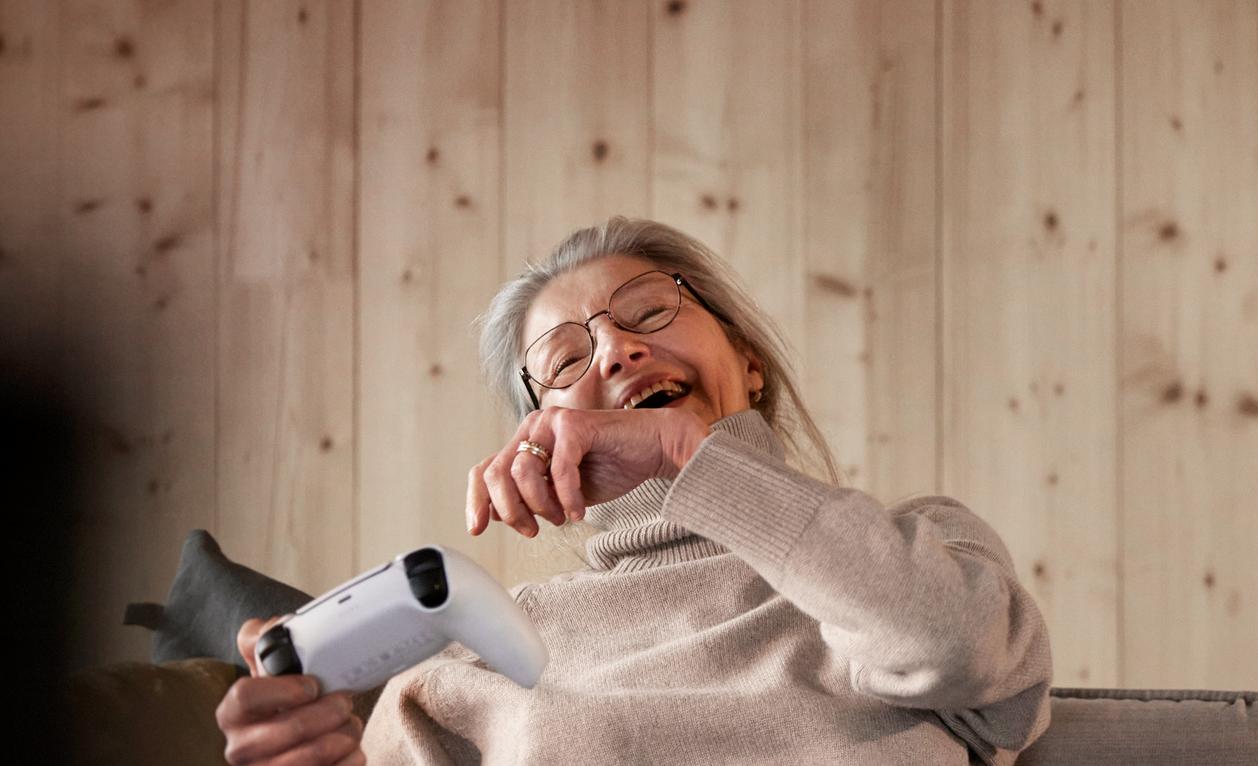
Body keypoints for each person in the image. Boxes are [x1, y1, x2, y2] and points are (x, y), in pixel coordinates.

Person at [216, 217, 1053, 765]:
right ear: (535, 432)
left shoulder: (920, 551)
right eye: (565, 362)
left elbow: (955, 647)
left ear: (748, 363)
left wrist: (692, 457)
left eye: (650, 312)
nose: (615, 350)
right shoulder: (477, 660)